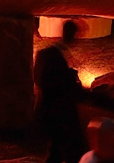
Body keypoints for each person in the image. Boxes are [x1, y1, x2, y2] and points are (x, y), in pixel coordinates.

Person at [34, 21, 87, 163]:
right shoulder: (55, 56)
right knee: (66, 148)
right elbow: (62, 86)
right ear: (74, 35)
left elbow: (38, 79)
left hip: (47, 107)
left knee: (55, 149)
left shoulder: (45, 54)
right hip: (59, 111)